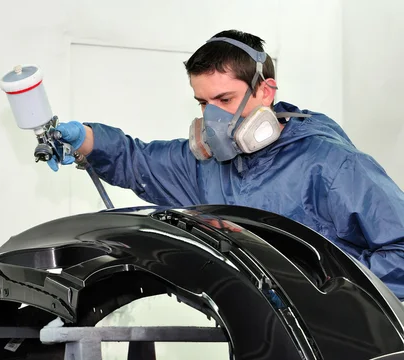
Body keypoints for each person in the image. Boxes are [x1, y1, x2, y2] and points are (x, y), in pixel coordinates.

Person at [48, 29, 404, 301]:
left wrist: (328, 297)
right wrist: (85, 140)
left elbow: (400, 251)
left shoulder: (331, 164)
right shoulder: (207, 165)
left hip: (333, 346)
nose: (213, 117)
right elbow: (137, 159)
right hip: (256, 338)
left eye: (225, 99)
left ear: (266, 91)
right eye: (203, 103)